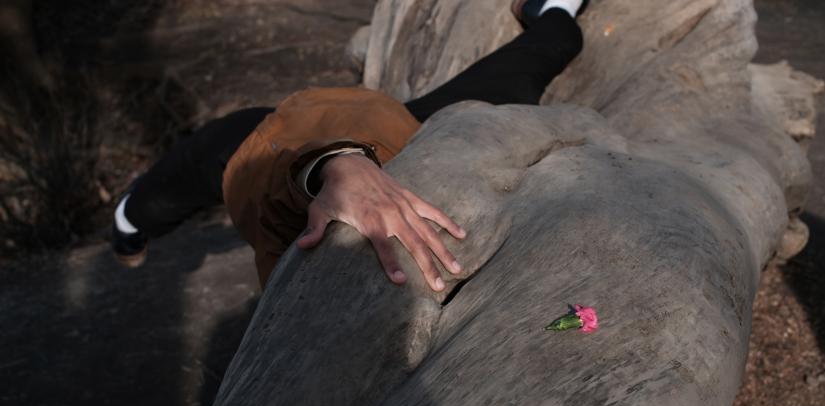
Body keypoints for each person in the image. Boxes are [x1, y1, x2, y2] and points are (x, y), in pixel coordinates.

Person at [112, 0, 587, 291]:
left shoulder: (293, 269)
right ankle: (128, 219)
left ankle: (550, 11)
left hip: (398, 126)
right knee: (162, 194)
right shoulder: (285, 206)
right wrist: (336, 166)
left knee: (552, 41)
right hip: (278, 137)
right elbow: (278, 179)